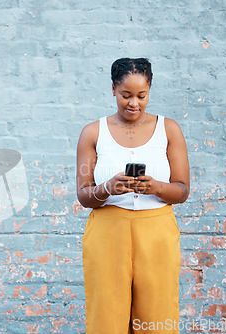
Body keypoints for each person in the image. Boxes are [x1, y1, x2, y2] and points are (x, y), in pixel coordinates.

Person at [76, 58, 190, 334]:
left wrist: (155, 188)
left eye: (142, 95)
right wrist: (107, 189)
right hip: (107, 231)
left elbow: (183, 190)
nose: (134, 103)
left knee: (157, 315)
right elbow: (83, 194)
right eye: (126, 95)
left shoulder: (169, 129)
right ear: (113, 89)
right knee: (106, 316)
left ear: (150, 89)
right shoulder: (93, 132)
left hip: (156, 231)